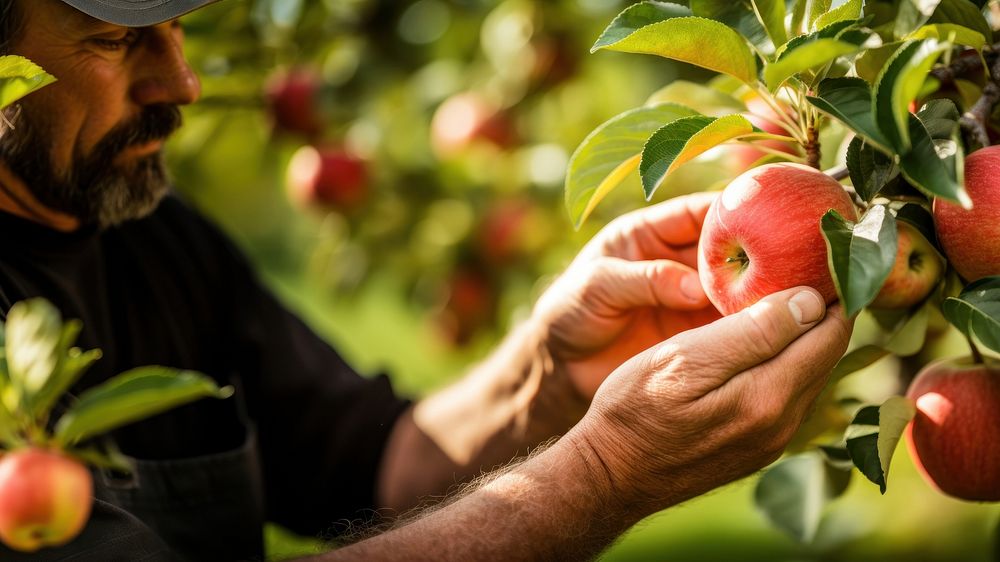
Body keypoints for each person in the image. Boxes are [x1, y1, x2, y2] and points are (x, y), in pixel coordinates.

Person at [0, 0, 853, 560]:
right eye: (113, 41)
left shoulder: (153, 236)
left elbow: (371, 466)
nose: (180, 82)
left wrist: (550, 375)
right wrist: (605, 471)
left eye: (179, 27)